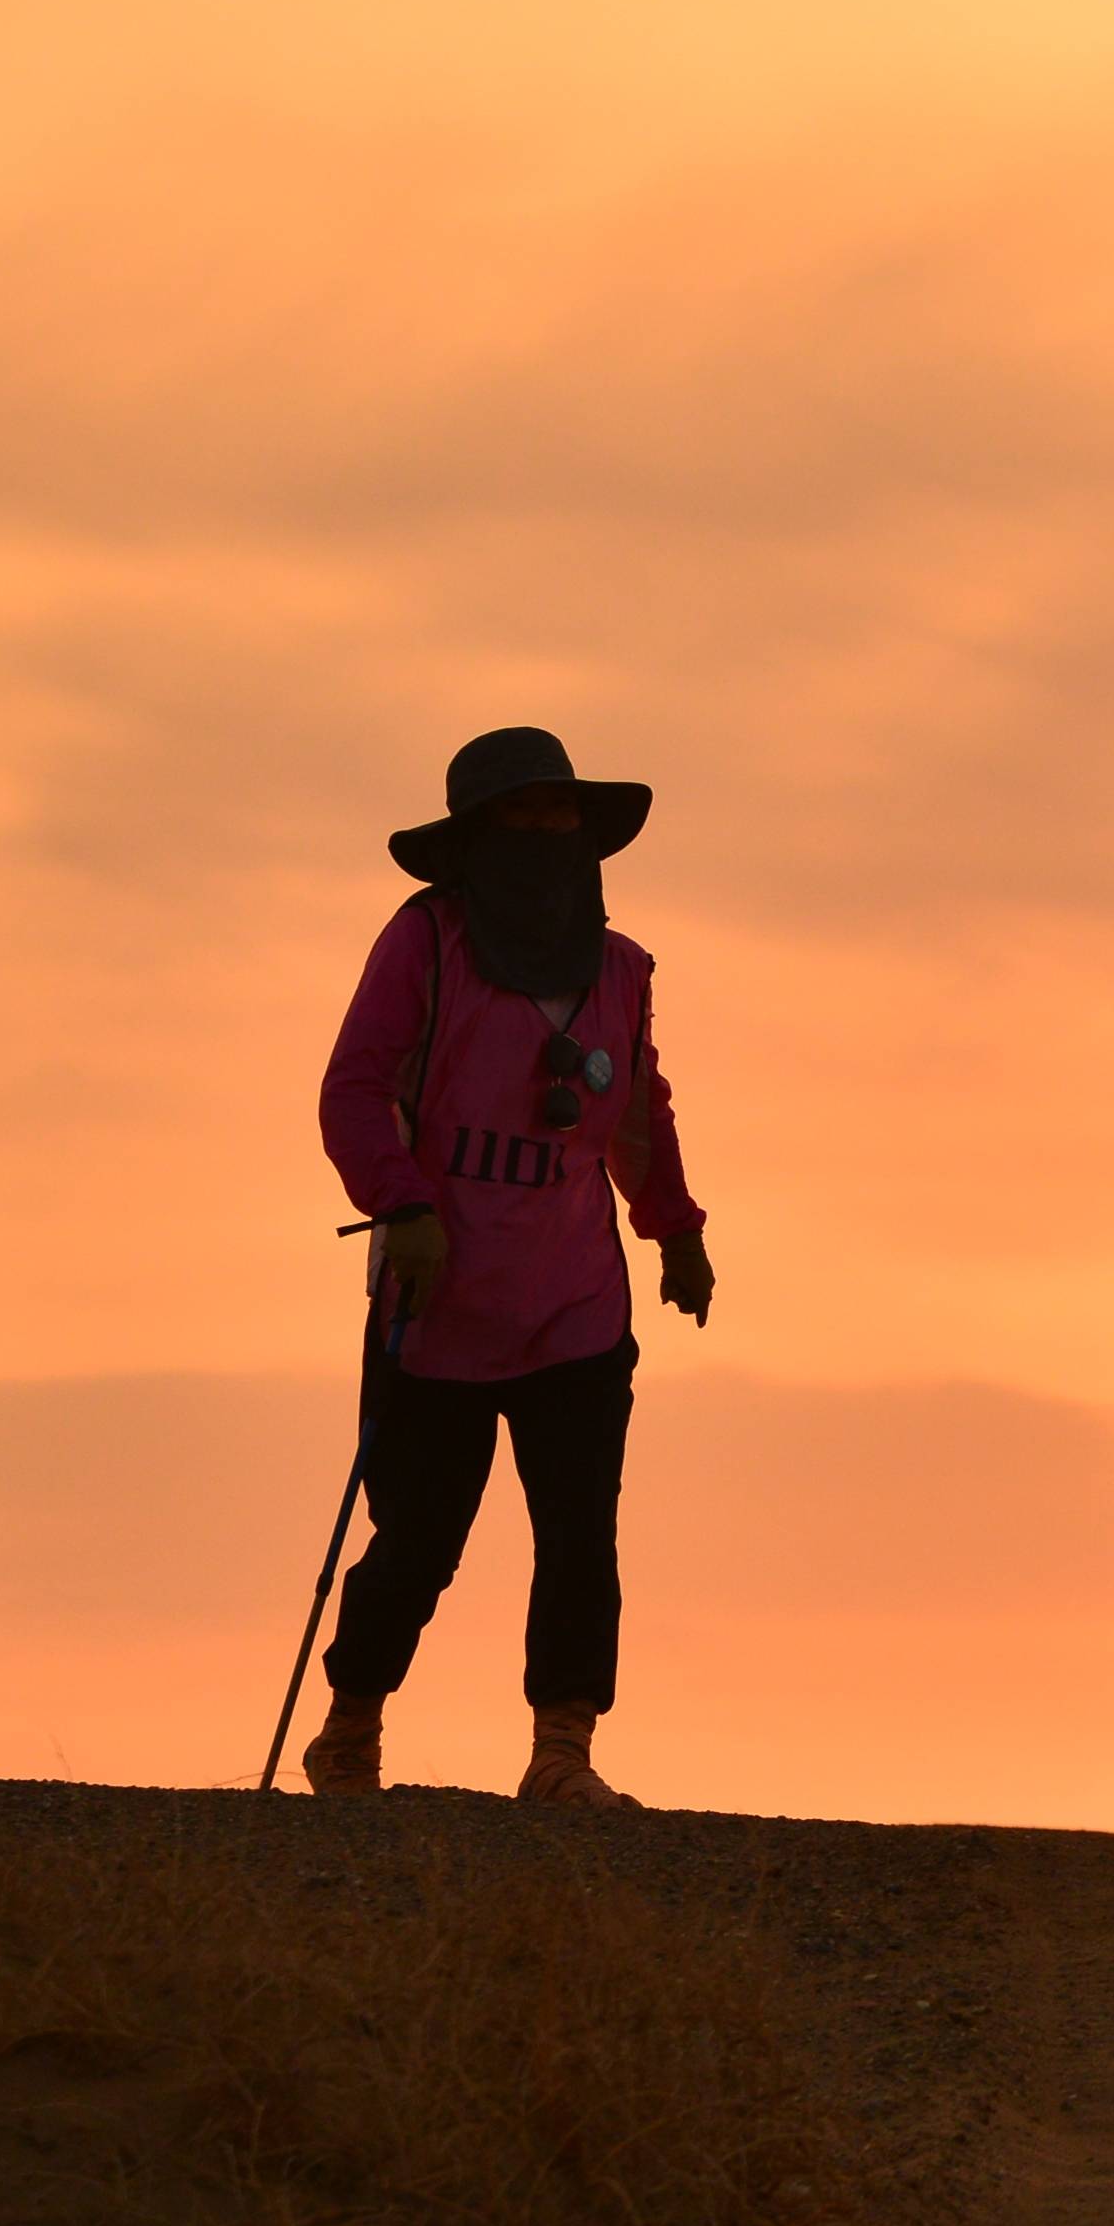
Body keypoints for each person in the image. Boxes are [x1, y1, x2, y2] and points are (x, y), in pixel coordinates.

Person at [301, 727, 714, 1807]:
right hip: (439, 1298)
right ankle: (349, 1731)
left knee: (580, 1530)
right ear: (473, 841)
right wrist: (402, 1198)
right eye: (518, 818)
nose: (543, 834)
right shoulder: (426, 942)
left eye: (558, 815)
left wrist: (674, 1229)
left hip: (575, 1299)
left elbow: (637, 1110)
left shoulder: (622, 970)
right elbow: (352, 1088)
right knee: (419, 1538)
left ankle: (561, 1752)